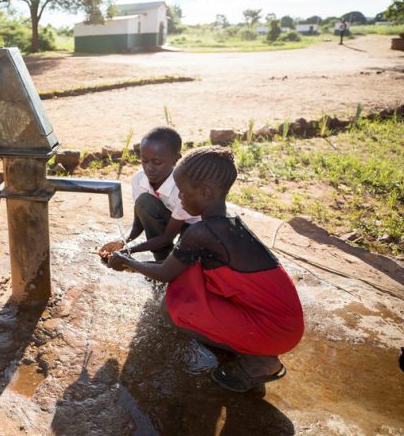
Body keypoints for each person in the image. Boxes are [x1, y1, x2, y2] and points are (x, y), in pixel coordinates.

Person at [104, 146, 304, 393]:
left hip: (275, 330)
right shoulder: (224, 224)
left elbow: (166, 274)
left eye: (183, 193)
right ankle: (249, 347)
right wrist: (129, 263)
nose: (178, 199)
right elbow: (174, 269)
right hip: (282, 322)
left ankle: (260, 360)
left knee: (175, 309)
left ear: (206, 192)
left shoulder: (202, 233)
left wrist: (127, 262)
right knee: (185, 286)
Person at [99, 126, 201, 262]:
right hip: (172, 220)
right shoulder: (139, 180)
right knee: (144, 202)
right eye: (144, 161)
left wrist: (128, 251)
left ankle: (166, 269)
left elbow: (167, 237)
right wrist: (122, 242)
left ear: (176, 159)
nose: (149, 168)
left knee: (185, 260)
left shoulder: (182, 189)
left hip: (196, 228)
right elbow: (139, 224)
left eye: (157, 162)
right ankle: (161, 261)